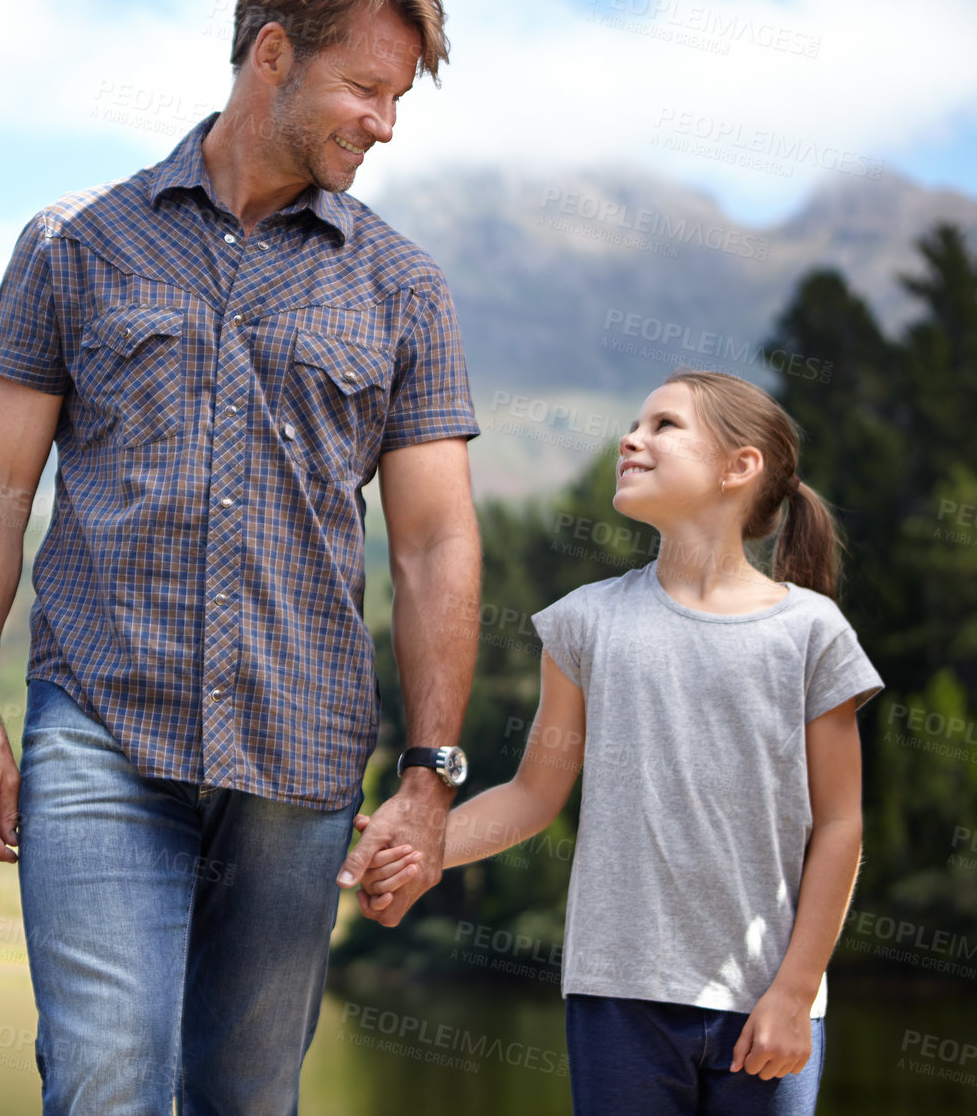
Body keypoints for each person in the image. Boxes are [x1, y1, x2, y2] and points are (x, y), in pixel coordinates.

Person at [0, 0, 483, 1111]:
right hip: (98, 722)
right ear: (271, 55)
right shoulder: (72, 243)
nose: (383, 125)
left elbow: (434, 541)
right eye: (365, 89)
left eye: (399, 103)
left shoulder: (403, 287)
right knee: (105, 1075)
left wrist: (430, 776)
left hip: (301, 750)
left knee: (246, 1093)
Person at [361, 369, 884, 1115]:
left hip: (768, 1002)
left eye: (664, 425)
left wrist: (795, 991)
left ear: (740, 467)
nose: (630, 437)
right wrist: (421, 849)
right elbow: (532, 797)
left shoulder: (812, 633)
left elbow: (840, 825)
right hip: (616, 999)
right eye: (635, 423)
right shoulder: (584, 623)